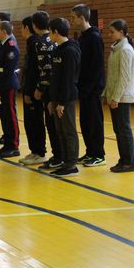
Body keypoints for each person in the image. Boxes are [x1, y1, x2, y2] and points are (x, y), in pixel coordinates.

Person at [71, 4, 106, 167]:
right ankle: (90, 151)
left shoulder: (94, 37)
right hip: (83, 88)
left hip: (92, 89)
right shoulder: (82, 37)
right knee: (85, 122)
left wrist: (89, 87)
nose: (72, 20)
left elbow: (97, 66)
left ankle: (99, 154)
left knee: (94, 122)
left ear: (82, 18)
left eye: (74, 17)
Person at [47, 17, 81, 177]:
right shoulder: (57, 50)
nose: (49, 35)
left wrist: (62, 102)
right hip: (57, 98)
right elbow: (55, 77)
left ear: (55, 32)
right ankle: (64, 161)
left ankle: (71, 164)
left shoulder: (70, 51)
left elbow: (69, 79)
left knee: (69, 131)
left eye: (50, 32)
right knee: (60, 131)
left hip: (66, 99)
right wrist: (52, 100)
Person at [102, 20, 134, 172]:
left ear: (121, 33)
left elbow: (124, 77)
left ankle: (129, 162)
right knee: (119, 130)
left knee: (123, 130)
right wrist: (107, 93)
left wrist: (116, 97)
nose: (109, 34)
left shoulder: (125, 50)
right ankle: (124, 159)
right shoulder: (116, 49)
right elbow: (112, 75)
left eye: (112, 32)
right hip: (115, 96)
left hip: (122, 97)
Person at [32, 11, 63, 170]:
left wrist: (40, 88)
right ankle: (59, 155)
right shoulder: (55, 41)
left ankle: (58, 156)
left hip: (50, 89)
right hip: (57, 87)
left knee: (52, 124)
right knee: (55, 124)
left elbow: (46, 69)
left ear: (34, 26)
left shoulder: (41, 43)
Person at [18, 16, 49, 165]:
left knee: (35, 121)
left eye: (21, 27)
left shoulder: (36, 43)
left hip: (33, 92)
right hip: (28, 89)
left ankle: (40, 152)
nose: (20, 30)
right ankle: (34, 151)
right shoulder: (31, 42)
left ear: (27, 27)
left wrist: (30, 91)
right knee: (29, 122)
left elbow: (35, 71)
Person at [0, 21, 20, 158]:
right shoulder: (1, 46)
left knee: (10, 116)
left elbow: (7, 70)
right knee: (4, 116)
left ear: (3, 31)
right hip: (0, 86)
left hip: (7, 86)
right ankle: (7, 144)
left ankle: (14, 146)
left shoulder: (11, 46)